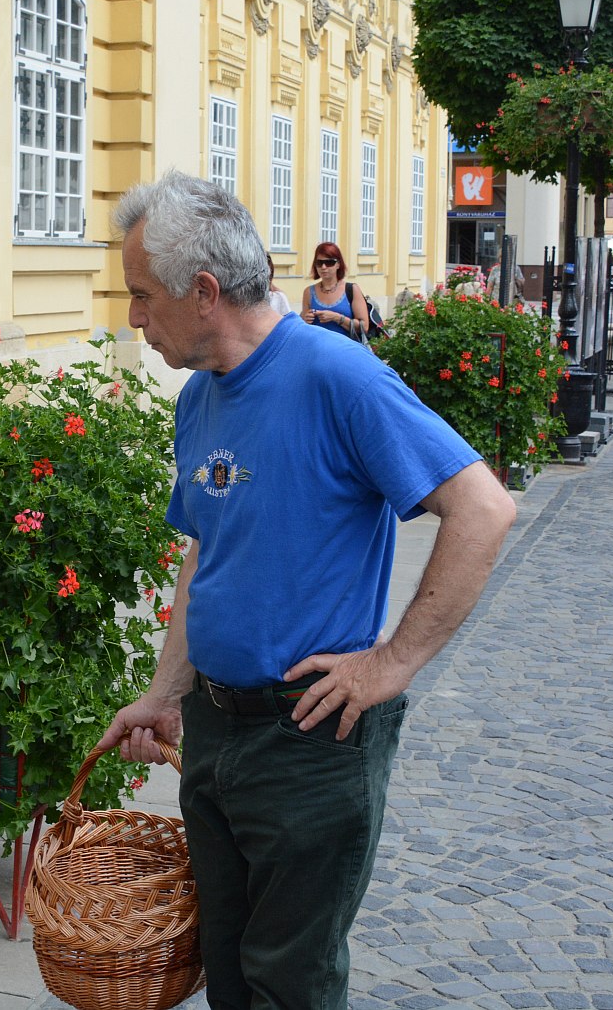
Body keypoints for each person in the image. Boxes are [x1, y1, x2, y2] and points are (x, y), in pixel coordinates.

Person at [103, 170, 516, 1010]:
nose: (135, 317)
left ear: (205, 291)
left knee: (289, 983)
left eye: (143, 296)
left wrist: (390, 663)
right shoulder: (198, 400)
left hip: (307, 738)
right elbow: (205, 556)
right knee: (229, 974)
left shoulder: (339, 377)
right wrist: (164, 692)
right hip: (215, 737)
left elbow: (483, 507)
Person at [301, 242, 369, 340]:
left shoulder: (352, 289)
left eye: (329, 263)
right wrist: (305, 320)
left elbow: (364, 327)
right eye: (319, 263)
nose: (324, 267)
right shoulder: (309, 292)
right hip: (318, 350)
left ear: (338, 264)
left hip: (345, 351)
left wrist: (336, 317)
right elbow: (304, 327)